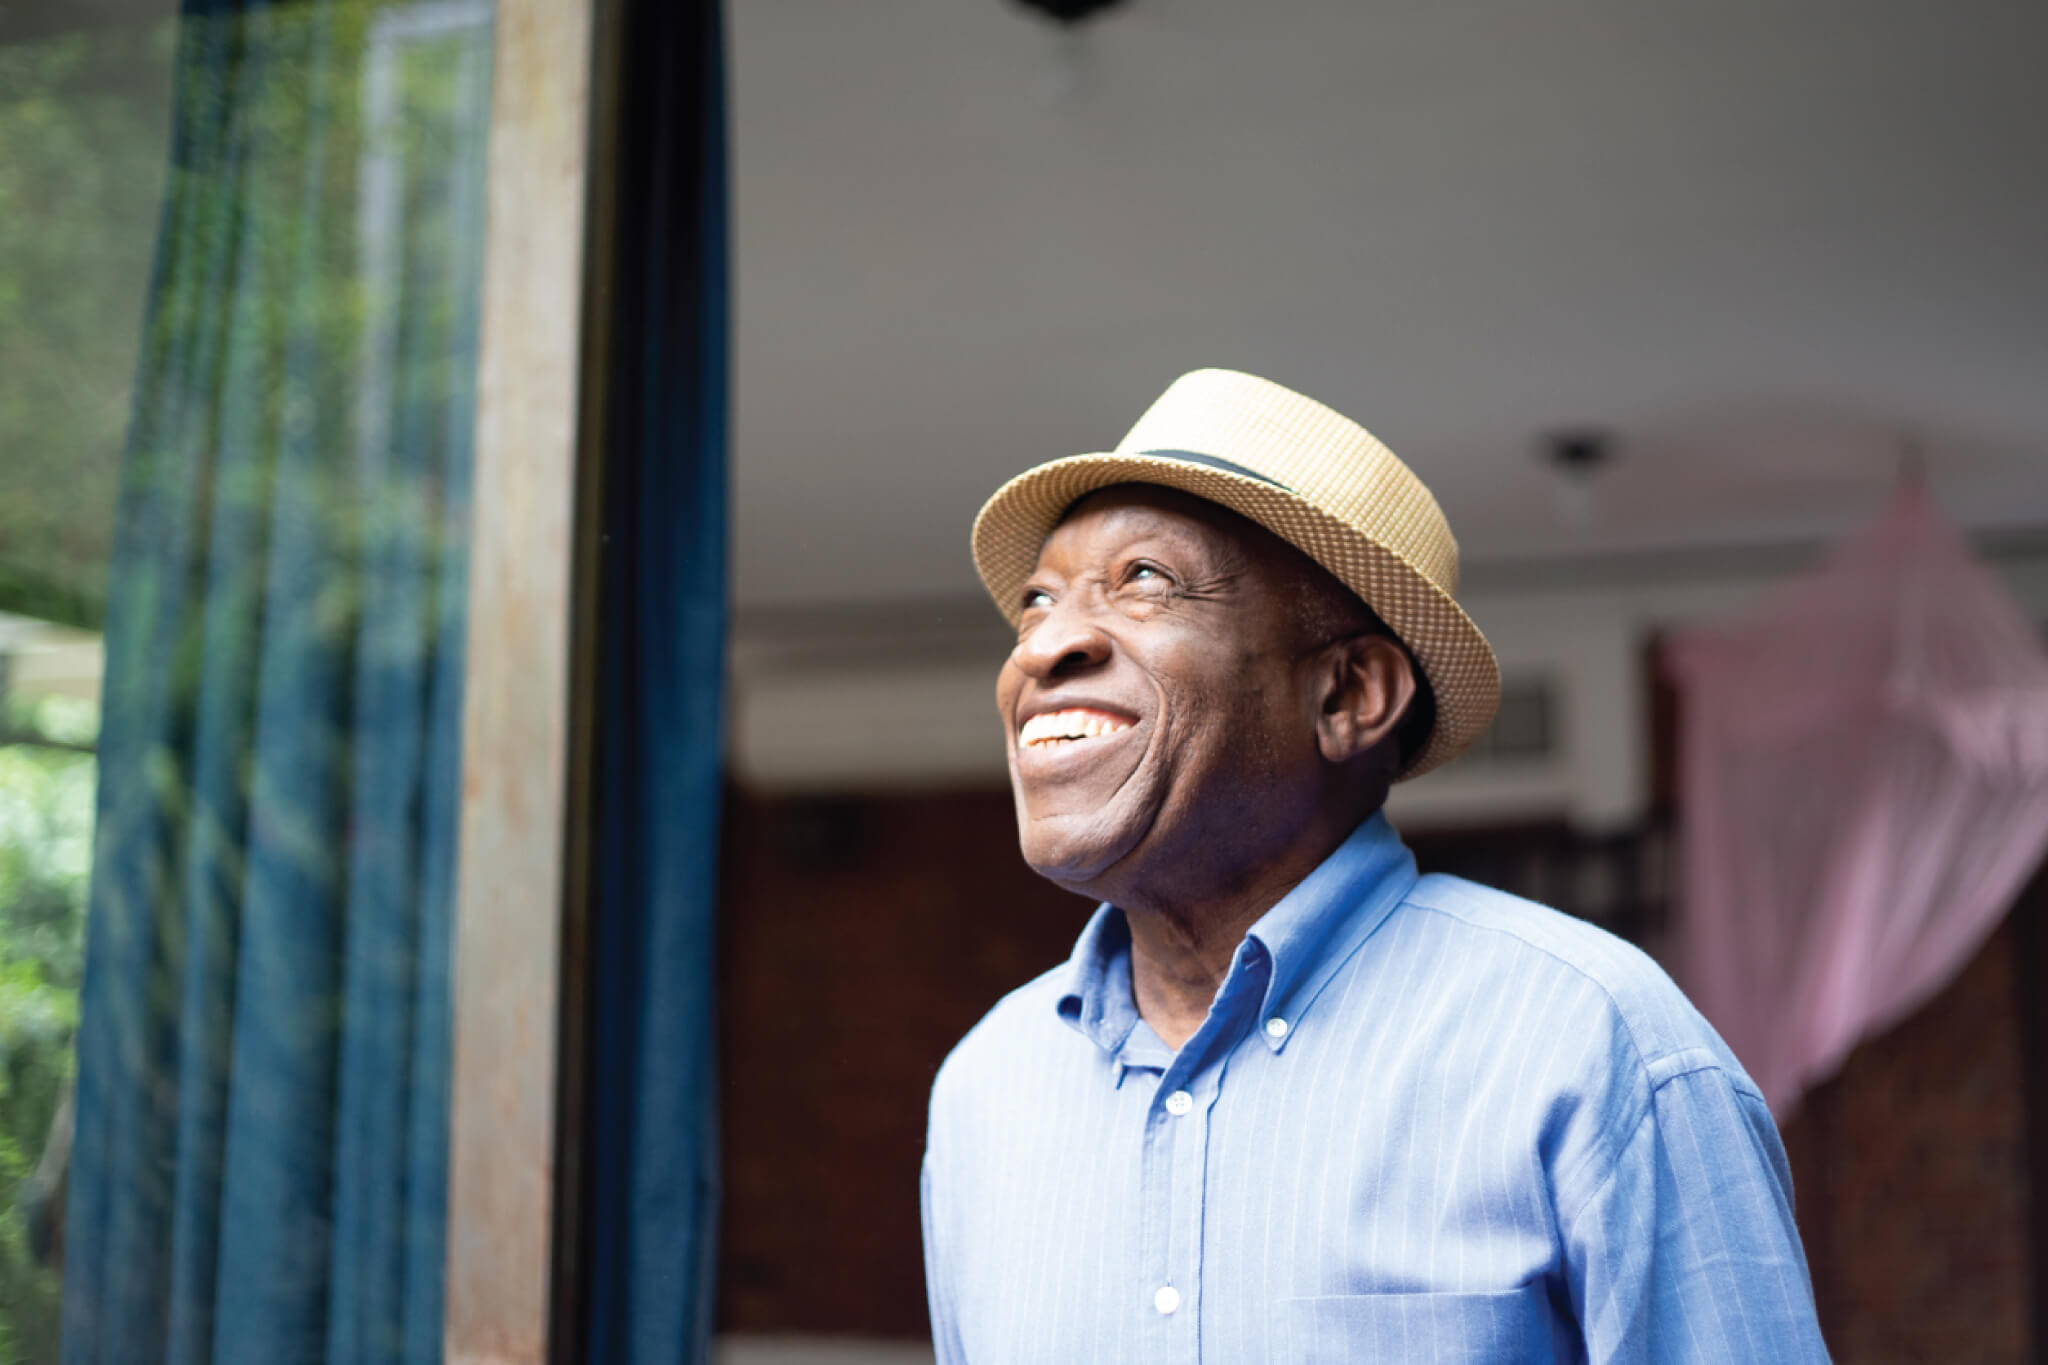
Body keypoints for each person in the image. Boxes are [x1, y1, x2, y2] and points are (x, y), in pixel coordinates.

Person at [921, 369, 1829, 1363]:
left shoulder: (1586, 1043)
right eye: (1036, 600)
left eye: (1144, 579)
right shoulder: (987, 1089)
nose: (1044, 646)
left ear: (1348, 693)